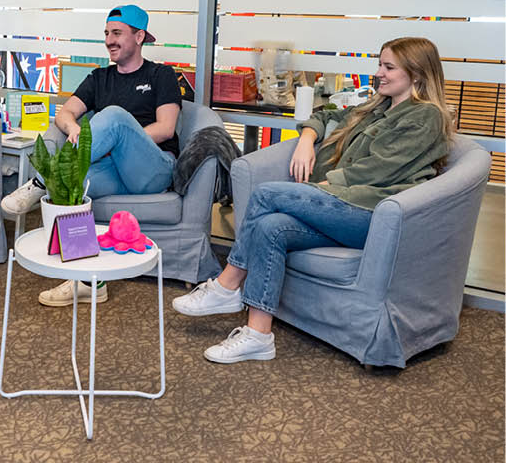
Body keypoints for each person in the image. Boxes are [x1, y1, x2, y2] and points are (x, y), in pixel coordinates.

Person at [172, 37, 454, 363]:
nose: (379, 73)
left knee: (266, 194)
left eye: (388, 67)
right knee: (271, 227)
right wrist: (307, 137)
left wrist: (324, 184)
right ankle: (258, 335)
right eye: (380, 64)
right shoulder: (377, 106)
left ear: (417, 74)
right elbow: (326, 114)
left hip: (369, 212)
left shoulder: (425, 117)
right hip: (341, 206)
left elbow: (380, 168)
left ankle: (227, 285)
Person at [2, 4, 182, 308]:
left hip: (153, 169)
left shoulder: (161, 75)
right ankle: (87, 282)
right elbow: (65, 113)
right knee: (73, 185)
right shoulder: (99, 78)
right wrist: (74, 127)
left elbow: (165, 129)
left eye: (117, 33)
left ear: (139, 37)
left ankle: (40, 180)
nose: (109, 40)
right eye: (107, 33)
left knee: (113, 117)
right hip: (114, 170)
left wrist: (119, 138)